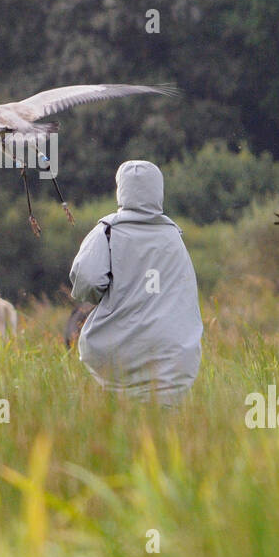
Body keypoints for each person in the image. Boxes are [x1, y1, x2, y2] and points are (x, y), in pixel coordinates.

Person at [68, 160, 203, 405]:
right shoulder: (173, 237)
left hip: (117, 351)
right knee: (168, 419)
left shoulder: (106, 232)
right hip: (172, 353)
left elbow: (86, 282)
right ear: (158, 190)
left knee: (121, 416)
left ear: (121, 190)